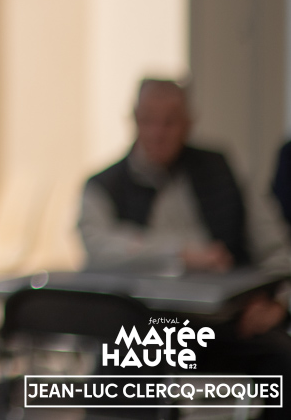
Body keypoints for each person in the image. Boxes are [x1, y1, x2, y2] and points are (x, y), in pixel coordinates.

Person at [80, 78, 291, 395]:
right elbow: (98, 248)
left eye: (170, 122)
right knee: (122, 366)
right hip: (142, 328)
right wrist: (180, 254)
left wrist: (279, 303)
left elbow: (277, 251)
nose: (158, 133)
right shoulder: (103, 187)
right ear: (134, 120)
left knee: (281, 359)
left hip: (224, 325)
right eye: (149, 120)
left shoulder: (223, 172)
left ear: (189, 124)